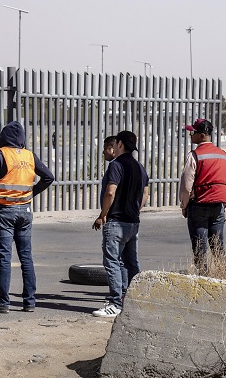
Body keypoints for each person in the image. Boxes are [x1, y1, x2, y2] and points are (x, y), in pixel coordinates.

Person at [0, 120, 54, 313]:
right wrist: (31, 193)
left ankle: (3, 303)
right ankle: (29, 302)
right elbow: (49, 177)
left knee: (4, 257)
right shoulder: (30, 156)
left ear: (3, 137)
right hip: (25, 211)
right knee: (26, 258)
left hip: (4, 212)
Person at [92, 130, 149, 318]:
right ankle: (132, 299)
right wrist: (135, 210)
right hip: (133, 222)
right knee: (131, 263)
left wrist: (102, 215)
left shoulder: (116, 166)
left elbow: (110, 192)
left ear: (119, 144)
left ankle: (116, 302)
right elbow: (145, 194)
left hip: (116, 221)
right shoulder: (139, 167)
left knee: (112, 262)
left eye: (115, 144)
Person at [179, 119, 226, 274]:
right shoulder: (224, 155)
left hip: (198, 206)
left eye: (192, 132)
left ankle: (203, 279)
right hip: (218, 206)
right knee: (218, 247)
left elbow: (186, 185)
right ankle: (224, 278)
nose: (190, 135)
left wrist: (184, 206)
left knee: (199, 248)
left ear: (202, 135)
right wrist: (224, 204)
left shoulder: (194, 156)